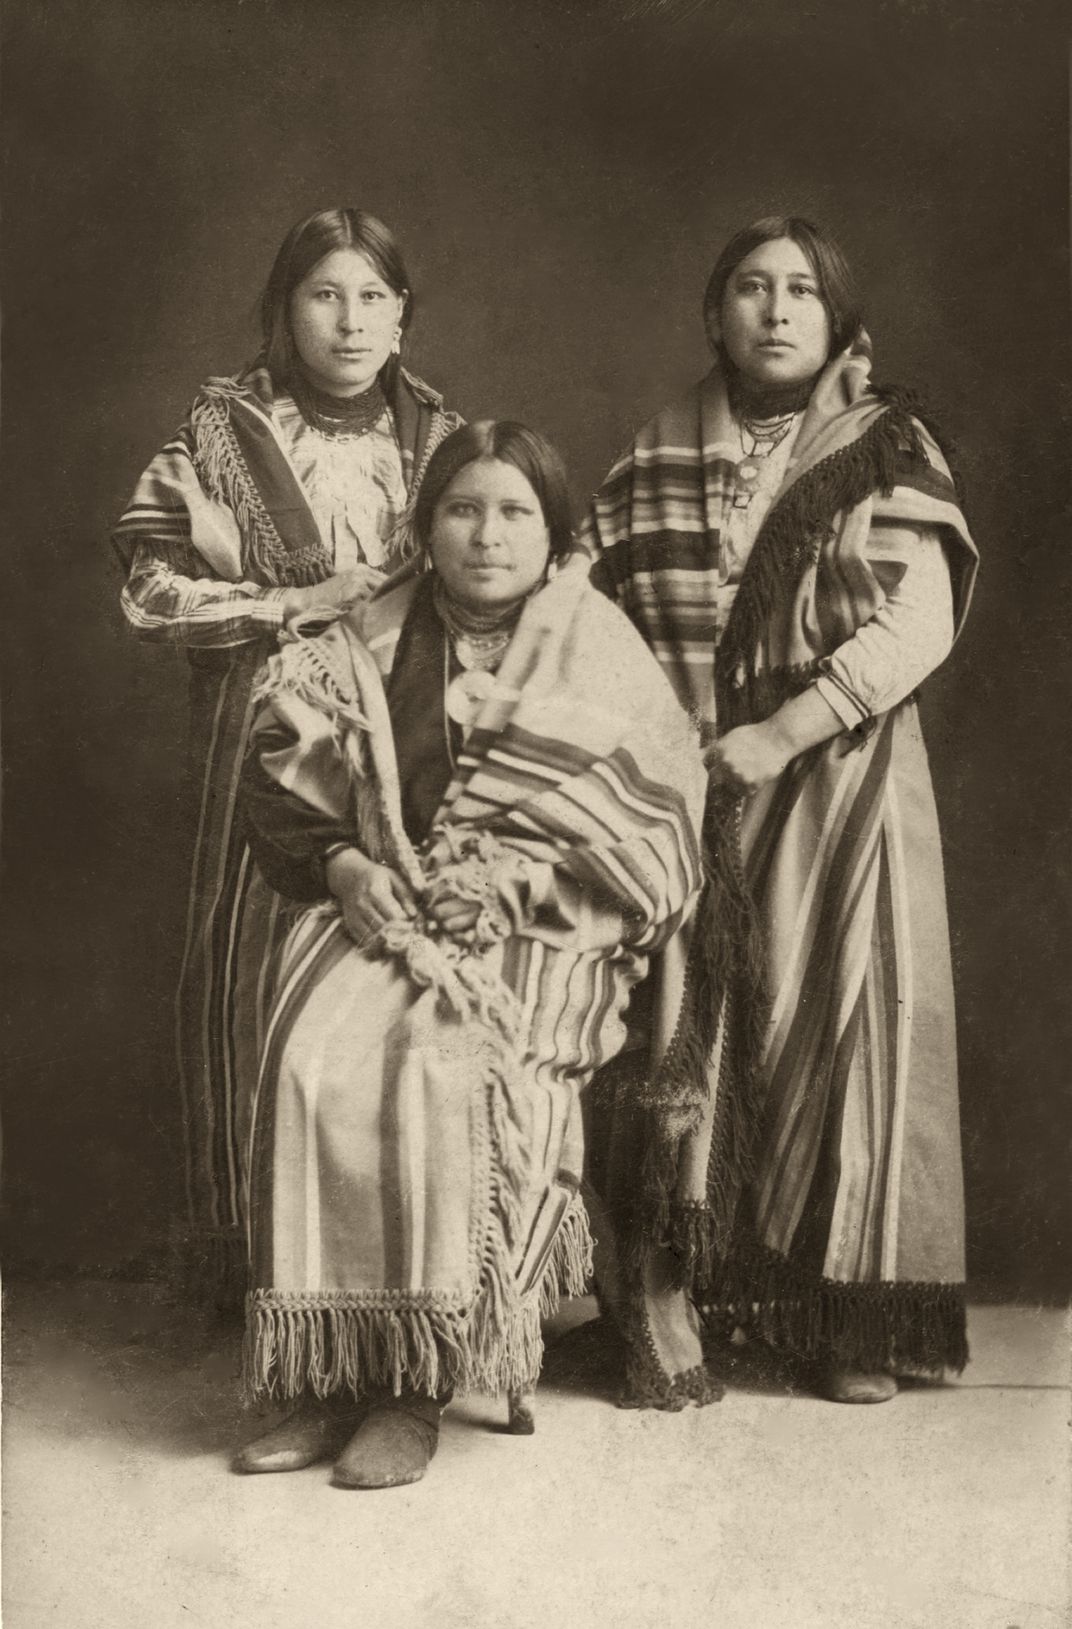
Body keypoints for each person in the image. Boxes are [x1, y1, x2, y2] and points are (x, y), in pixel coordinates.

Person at [234, 420, 713, 1488]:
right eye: (462, 509)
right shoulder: (365, 635)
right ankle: (328, 1377)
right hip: (389, 902)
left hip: (549, 926)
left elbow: (658, 831)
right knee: (314, 1053)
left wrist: (509, 886)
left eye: (513, 513)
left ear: (553, 534)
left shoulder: (595, 643)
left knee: (440, 1064)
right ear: (427, 524)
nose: (486, 536)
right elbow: (281, 782)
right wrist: (349, 872)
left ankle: (413, 1385)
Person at [582, 216, 978, 1403]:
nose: (774, 309)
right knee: (701, 1036)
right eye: (749, 288)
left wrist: (782, 731)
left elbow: (918, 620)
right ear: (714, 315)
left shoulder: (881, 446)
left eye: (801, 289)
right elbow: (583, 603)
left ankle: (848, 1320)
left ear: (836, 318)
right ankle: (708, 1297)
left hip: (839, 769)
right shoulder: (654, 454)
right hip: (690, 781)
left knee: (848, 1026)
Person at [112, 209, 462, 1295]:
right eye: (324, 295)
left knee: (399, 984)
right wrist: (290, 604)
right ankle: (267, 1270)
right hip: (257, 741)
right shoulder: (217, 437)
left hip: (410, 751)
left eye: (372, 297)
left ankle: (396, 1271)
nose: (350, 321)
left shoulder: (448, 440)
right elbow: (149, 588)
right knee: (254, 981)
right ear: (284, 309)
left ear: (403, 315)